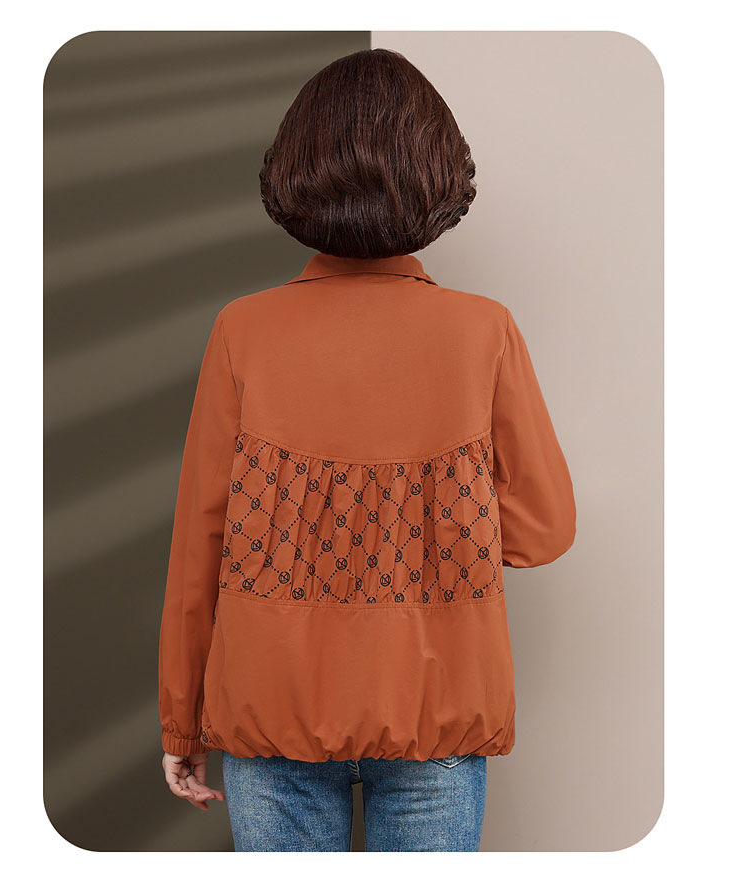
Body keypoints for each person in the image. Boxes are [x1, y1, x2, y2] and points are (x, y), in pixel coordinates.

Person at [158, 47, 576, 853]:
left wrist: (183, 718)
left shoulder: (244, 330)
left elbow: (198, 545)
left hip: (271, 712)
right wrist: (431, 521)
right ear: (435, 175)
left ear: (296, 173)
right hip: (436, 712)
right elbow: (542, 530)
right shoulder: (483, 331)